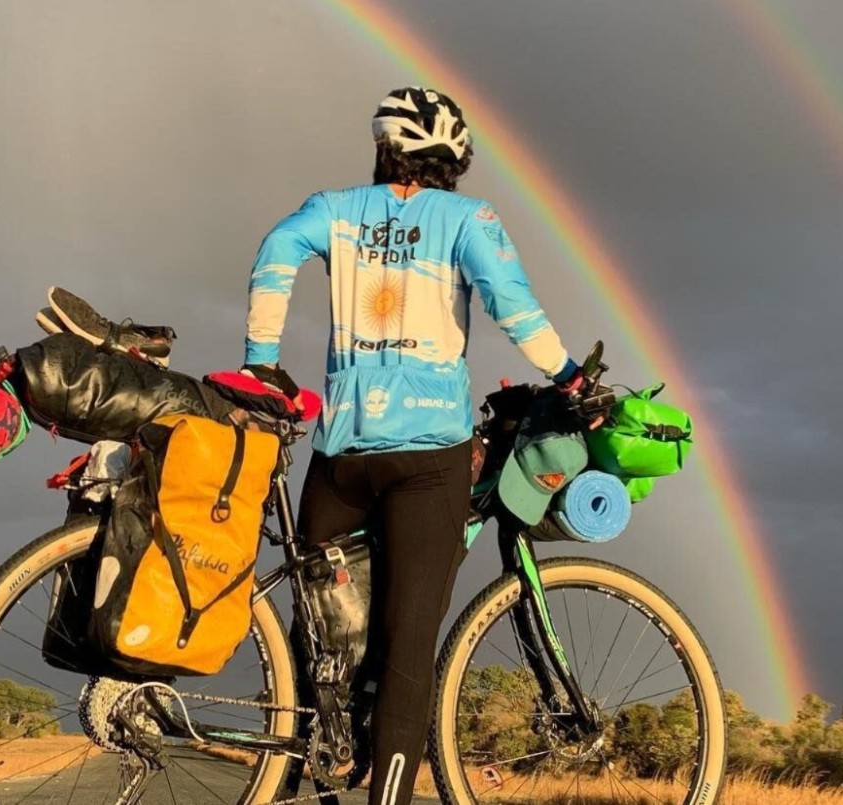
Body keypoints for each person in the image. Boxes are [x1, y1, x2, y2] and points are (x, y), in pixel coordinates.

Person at [241, 87, 587, 805]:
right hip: (429, 460)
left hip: (341, 458)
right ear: (453, 160)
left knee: (320, 642)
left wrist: (259, 361)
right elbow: (511, 303)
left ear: (382, 148)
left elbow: (275, 251)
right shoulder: (467, 218)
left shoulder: (333, 210)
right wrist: (568, 374)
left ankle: (299, 780)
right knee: (406, 646)